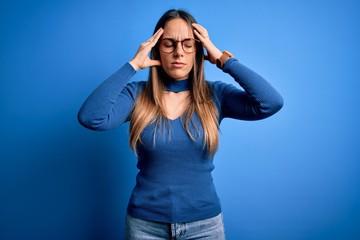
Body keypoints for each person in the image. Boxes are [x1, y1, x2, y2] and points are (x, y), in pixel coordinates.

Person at [78, 9, 283, 240]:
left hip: (204, 226)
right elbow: (91, 117)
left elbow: (270, 103)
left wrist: (224, 60)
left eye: (188, 44)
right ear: (156, 49)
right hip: (145, 227)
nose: (178, 53)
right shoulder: (137, 95)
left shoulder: (216, 94)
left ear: (198, 50)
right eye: (169, 44)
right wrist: (133, 65)